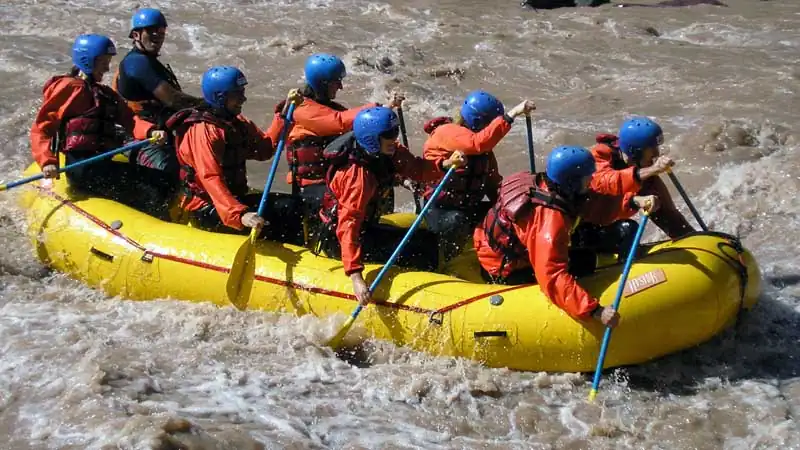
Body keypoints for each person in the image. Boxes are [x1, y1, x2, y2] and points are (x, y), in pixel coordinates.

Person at [473, 145, 659, 328]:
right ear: (572, 183)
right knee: (585, 261)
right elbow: (552, 276)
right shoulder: (550, 220)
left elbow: (595, 204)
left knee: (595, 240)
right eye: (587, 178)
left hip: (495, 245)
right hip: (505, 269)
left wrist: (634, 202)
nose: (591, 180)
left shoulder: (555, 187)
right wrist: (595, 311)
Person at [313, 106, 466, 305]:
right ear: (372, 139)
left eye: (395, 131)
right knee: (423, 246)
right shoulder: (357, 178)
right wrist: (356, 276)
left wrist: (445, 164)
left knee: (427, 239)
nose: (394, 137)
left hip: (364, 227)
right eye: (388, 134)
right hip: (339, 239)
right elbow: (348, 225)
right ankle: (428, 300)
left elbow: (418, 169)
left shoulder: (390, 151)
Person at [29, 33, 172, 217]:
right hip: (82, 170)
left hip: (102, 165)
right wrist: (47, 161)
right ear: (87, 60)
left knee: (164, 180)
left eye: (108, 61)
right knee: (153, 188)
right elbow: (42, 128)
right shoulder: (70, 88)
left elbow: (131, 121)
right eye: (103, 61)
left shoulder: (105, 94)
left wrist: (151, 130)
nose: (106, 67)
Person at [168, 65, 290, 234]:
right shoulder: (203, 131)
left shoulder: (236, 123)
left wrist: (283, 117)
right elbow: (210, 178)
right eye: (237, 94)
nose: (243, 99)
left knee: (291, 206)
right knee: (276, 219)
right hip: (206, 207)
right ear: (220, 97)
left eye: (242, 92)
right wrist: (240, 215)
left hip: (233, 200)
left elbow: (264, 150)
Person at [420, 91, 536, 264]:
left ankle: (510, 256)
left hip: (467, 208)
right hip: (438, 210)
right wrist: (512, 115)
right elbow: (478, 142)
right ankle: (445, 261)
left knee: (505, 214)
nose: (492, 130)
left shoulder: (483, 153)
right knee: (456, 220)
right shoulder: (447, 132)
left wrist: (516, 207)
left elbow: (493, 184)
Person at [572, 116, 694, 258]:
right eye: (652, 149)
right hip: (581, 232)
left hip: (605, 223)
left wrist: (691, 239)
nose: (657, 154)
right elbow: (607, 183)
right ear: (634, 151)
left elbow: (668, 212)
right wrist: (652, 171)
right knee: (628, 229)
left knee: (658, 203)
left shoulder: (642, 169)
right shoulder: (599, 157)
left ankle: (689, 240)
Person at [284, 53, 389, 214]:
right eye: (336, 82)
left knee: (380, 183)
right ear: (322, 84)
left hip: (333, 182)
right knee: (346, 200)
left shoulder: (332, 108)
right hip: (310, 189)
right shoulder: (302, 110)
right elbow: (338, 122)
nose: (340, 87)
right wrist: (375, 108)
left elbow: (358, 128)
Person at [113, 8, 203, 175]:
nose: (157, 34)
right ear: (135, 35)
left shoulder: (152, 63)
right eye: (151, 30)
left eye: (161, 30)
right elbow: (174, 100)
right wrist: (210, 105)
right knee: (170, 171)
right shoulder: (136, 63)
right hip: (138, 138)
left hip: (161, 133)